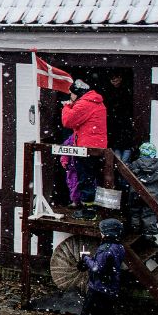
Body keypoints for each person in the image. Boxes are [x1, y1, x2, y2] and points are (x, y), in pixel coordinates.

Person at [72, 218, 129, 315]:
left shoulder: (106, 249)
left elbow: (97, 268)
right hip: (111, 290)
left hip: (98, 290)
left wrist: (86, 259)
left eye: (102, 231)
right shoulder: (119, 247)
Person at [61, 78, 108, 220]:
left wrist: (66, 107)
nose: (71, 97)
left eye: (72, 94)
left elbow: (68, 121)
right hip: (95, 146)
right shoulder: (95, 101)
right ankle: (93, 207)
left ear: (78, 93)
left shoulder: (84, 104)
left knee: (85, 178)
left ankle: (89, 211)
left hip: (86, 146)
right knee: (91, 177)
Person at [126, 142, 158, 236]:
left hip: (136, 191)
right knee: (150, 212)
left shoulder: (136, 163)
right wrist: (156, 178)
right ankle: (148, 233)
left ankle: (135, 229)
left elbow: (128, 173)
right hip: (152, 192)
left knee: (135, 210)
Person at [99, 71, 135, 162]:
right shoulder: (107, 90)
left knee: (126, 145)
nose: (114, 81)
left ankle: (123, 166)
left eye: (116, 79)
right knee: (116, 145)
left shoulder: (127, 90)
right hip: (112, 121)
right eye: (112, 80)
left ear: (121, 78)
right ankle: (119, 165)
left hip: (125, 120)